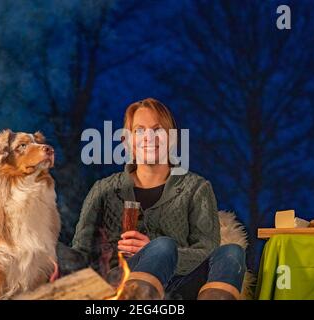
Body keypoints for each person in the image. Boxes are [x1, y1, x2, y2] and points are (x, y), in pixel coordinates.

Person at [71, 98, 246, 300]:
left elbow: (207, 249)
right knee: (163, 246)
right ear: (127, 141)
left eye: (157, 130)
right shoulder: (103, 189)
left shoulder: (197, 188)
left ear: (172, 138)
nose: (148, 137)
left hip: (181, 284)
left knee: (232, 252)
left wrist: (155, 249)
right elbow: (81, 250)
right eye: (139, 131)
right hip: (119, 281)